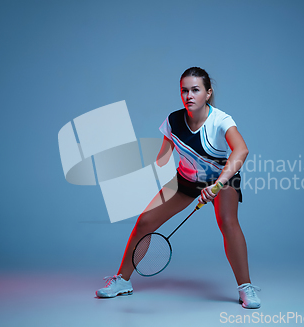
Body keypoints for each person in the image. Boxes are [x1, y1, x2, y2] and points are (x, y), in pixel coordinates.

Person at [96, 67, 261, 309]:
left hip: (222, 179)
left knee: (228, 223)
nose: (189, 95)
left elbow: (241, 150)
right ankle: (122, 281)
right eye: (184, 90)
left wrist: (216, 186)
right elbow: (162, 158)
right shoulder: (173, 120)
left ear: (208, 93)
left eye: (195, 90)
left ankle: (245, 287)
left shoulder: (221, 121)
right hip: (186, 179)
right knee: (145, 222)